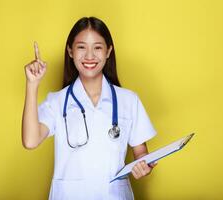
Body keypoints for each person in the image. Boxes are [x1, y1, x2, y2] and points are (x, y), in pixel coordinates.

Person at [22, 16, 157, 200]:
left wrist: (144, 166)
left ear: (109, 51)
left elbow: (141, 153)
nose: (89, 56)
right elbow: (30, 141)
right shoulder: (57, 101)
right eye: (81, 47)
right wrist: (32, 84)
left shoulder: (129, 100)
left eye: (98, 47)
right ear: (70, 51)